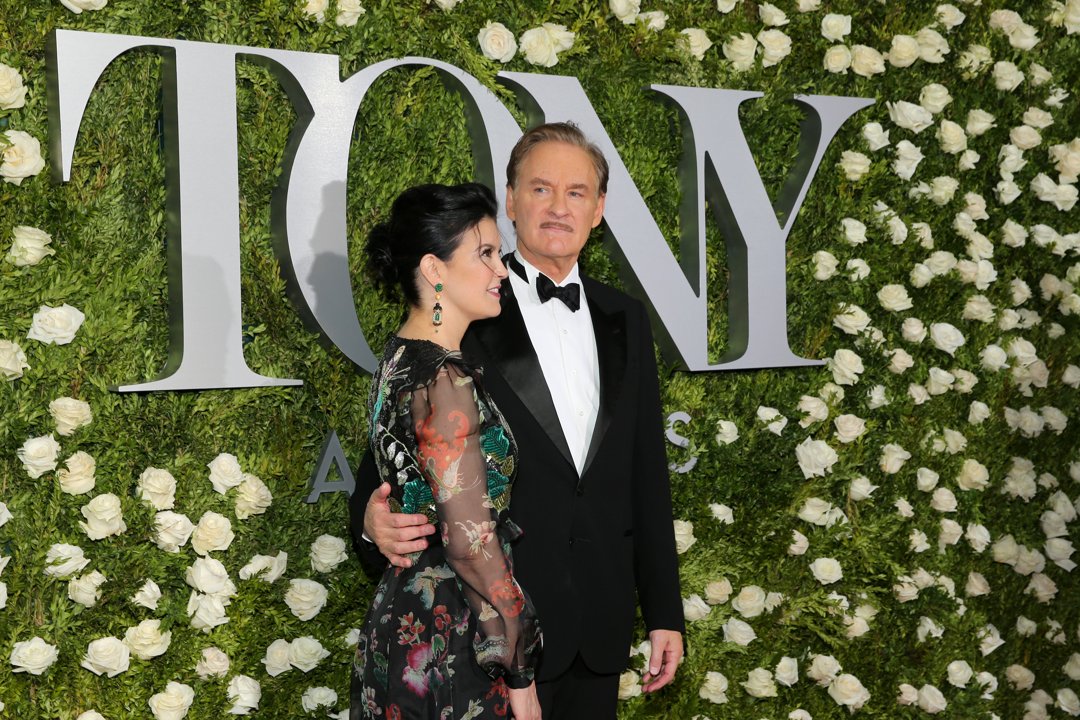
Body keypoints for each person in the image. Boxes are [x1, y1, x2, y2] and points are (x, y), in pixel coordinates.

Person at [353, 123, 684, 719]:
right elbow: (392, 463)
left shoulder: (627, 318)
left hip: (600, 625)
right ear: (510, 200)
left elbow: (647, 473)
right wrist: (373, 522)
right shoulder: (464, 306)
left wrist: (665, 612)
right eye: (540, 188)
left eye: (577, 192)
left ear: (599, 209)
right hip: (487, 640)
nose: (559, 207)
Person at [352, 182, 542, 720]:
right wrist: (521, 671)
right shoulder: (442, 378)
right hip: (455, 639)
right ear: (434, 269)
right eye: (485, 254)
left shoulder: (399, 357)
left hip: (404, 623)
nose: (501, 269)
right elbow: (471, 544)